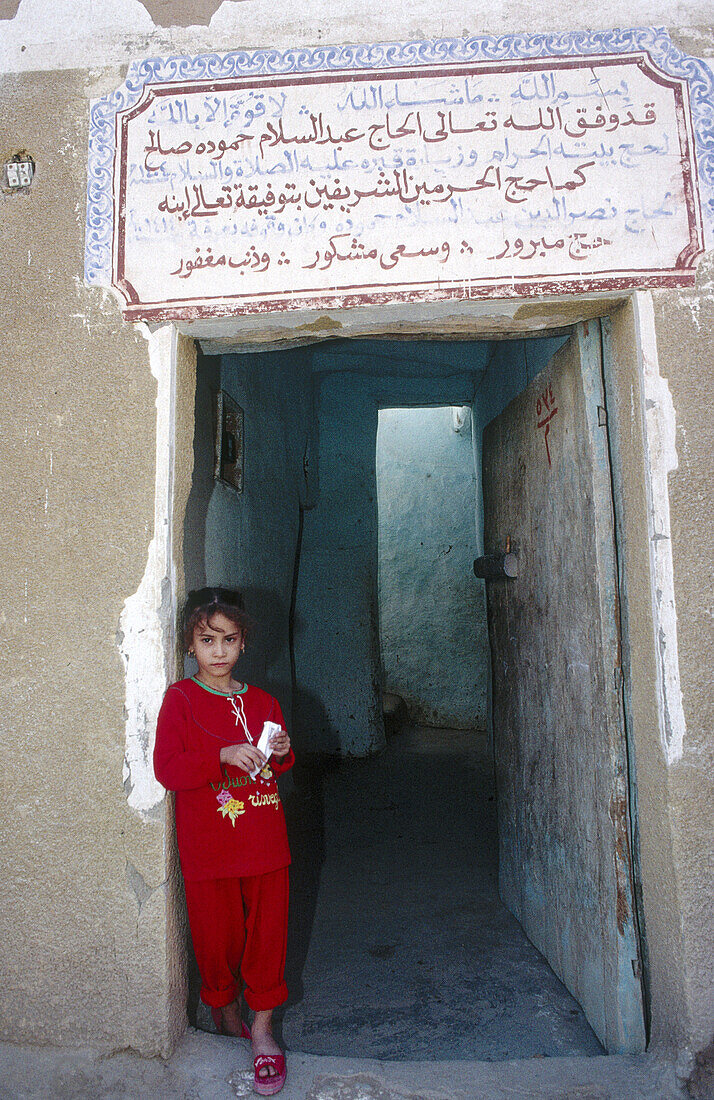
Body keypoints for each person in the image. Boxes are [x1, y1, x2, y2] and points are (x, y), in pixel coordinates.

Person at [154, 586, 294, 1096]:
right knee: (217, 941)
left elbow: (279, 762)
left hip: (264, 844)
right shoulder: (181, 700)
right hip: (209, 851)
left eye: (228, 639)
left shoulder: (263, 700)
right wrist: (220, 756)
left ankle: (261, 1032)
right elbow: (167, 768)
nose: (218, 650)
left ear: (243, 644)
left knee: (267, 937)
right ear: (191, 644)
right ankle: (225, 1007)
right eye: (207, 639)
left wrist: (278, 749)